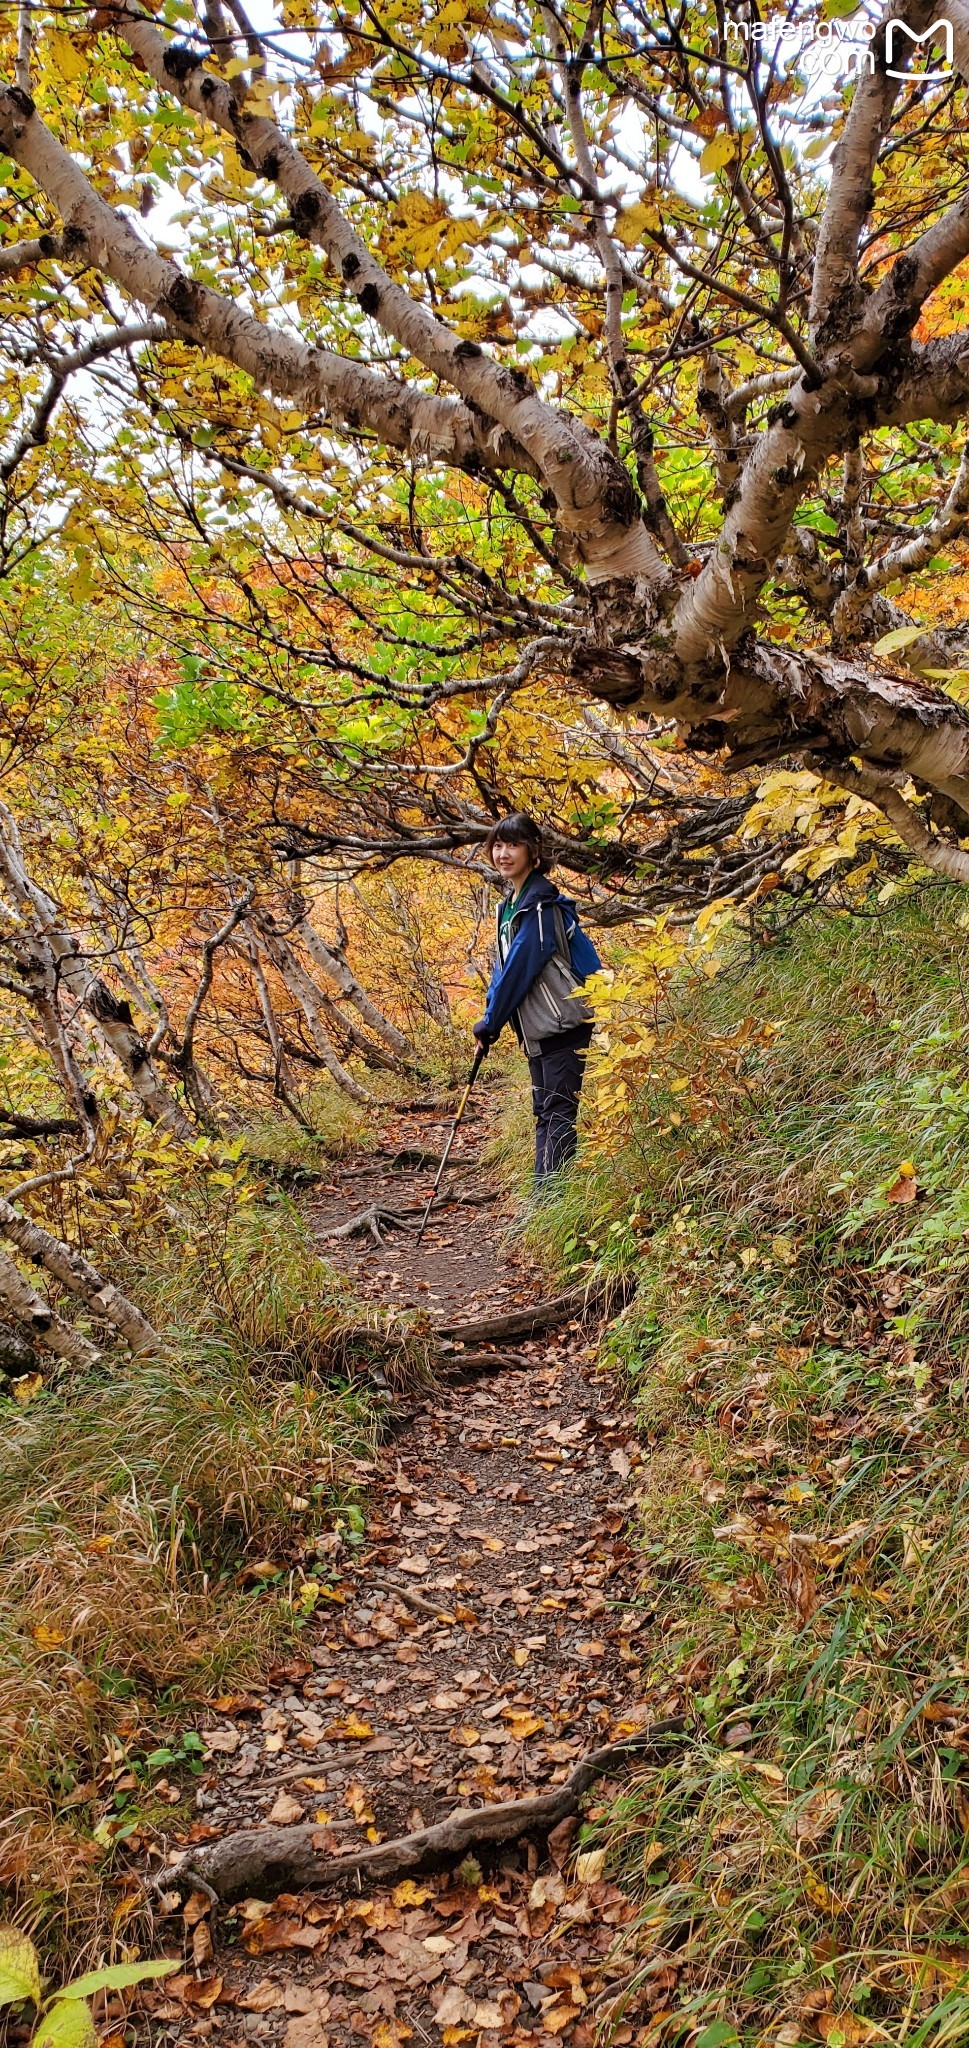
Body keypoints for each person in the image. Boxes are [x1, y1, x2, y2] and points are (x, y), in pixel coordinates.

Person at [472, 813, 601, 1182]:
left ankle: (553, 1198)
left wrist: (492, 1020)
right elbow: (501, 968)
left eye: (513, 845)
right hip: (539, 1027)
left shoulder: (539, 905)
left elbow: (521, 968)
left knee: (558, 1110)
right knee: (545, 1110)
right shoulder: (509, 905)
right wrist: (489, 1021)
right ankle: (543, 1195)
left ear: (533, 851)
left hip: (562, 1022)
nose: (503, 853)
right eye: (498, 845)